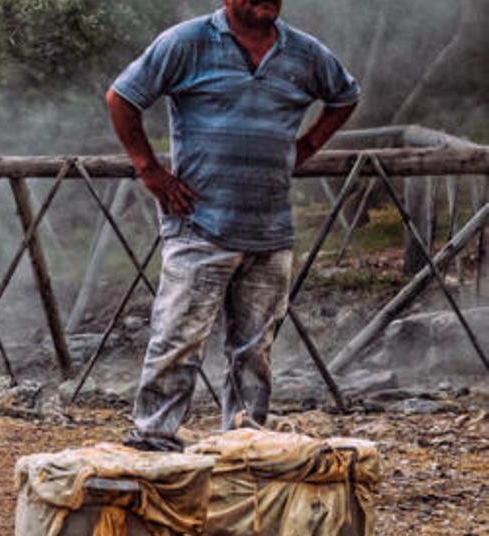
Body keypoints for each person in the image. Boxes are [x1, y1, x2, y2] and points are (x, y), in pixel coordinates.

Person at [106, 0, 359, 451]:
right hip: (199, 224)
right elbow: (122, 97)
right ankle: (154, 441)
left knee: (254, 352)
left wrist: (307, 145)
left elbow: (344, 95)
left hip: (270, 229)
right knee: (178, 339)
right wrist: (149, 169)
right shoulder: (186, 42)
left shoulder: (304, 52)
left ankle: (244, 445)